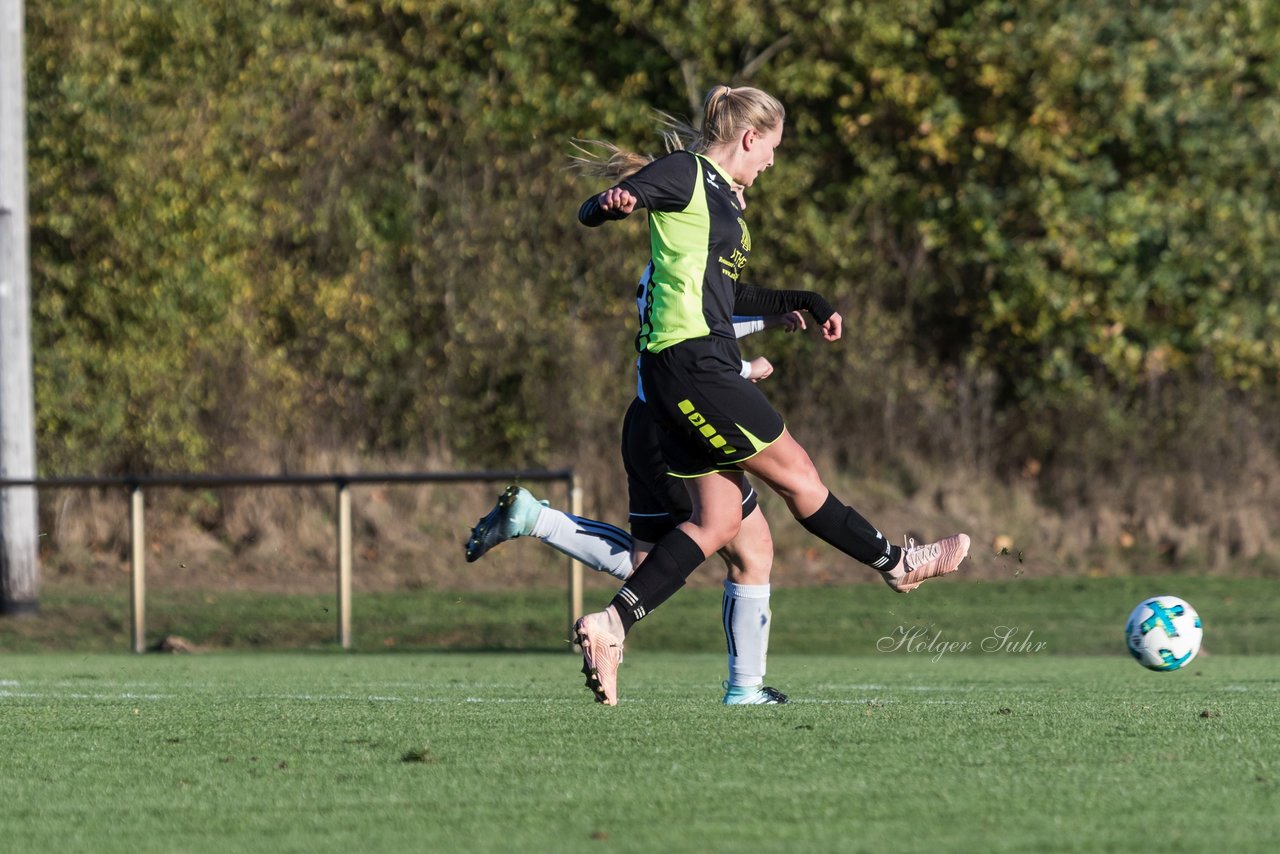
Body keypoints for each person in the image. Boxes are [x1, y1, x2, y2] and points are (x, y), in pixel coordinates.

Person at [572, 84, 971, 705]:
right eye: (773, 148)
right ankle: (899, 565)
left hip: (678, 370)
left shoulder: (724, 203)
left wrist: (803, 300)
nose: (773, 162)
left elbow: (727, 295)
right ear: (750, 138)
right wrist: (613, 204)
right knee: (800, 477)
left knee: (724, 524)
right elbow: (591, 210)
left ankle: (613, 625)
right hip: (696, 363)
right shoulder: (687, 175)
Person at [466, 302, 811, 704]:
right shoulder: (690, 253)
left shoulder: (666, 267)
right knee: (752, 551)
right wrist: (747, 370)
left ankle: (536, 519)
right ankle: (744, 687)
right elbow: (689, 350)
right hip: (681, 424)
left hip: (646, 420)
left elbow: (702, 322)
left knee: (643, 564)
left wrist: (769, 319)